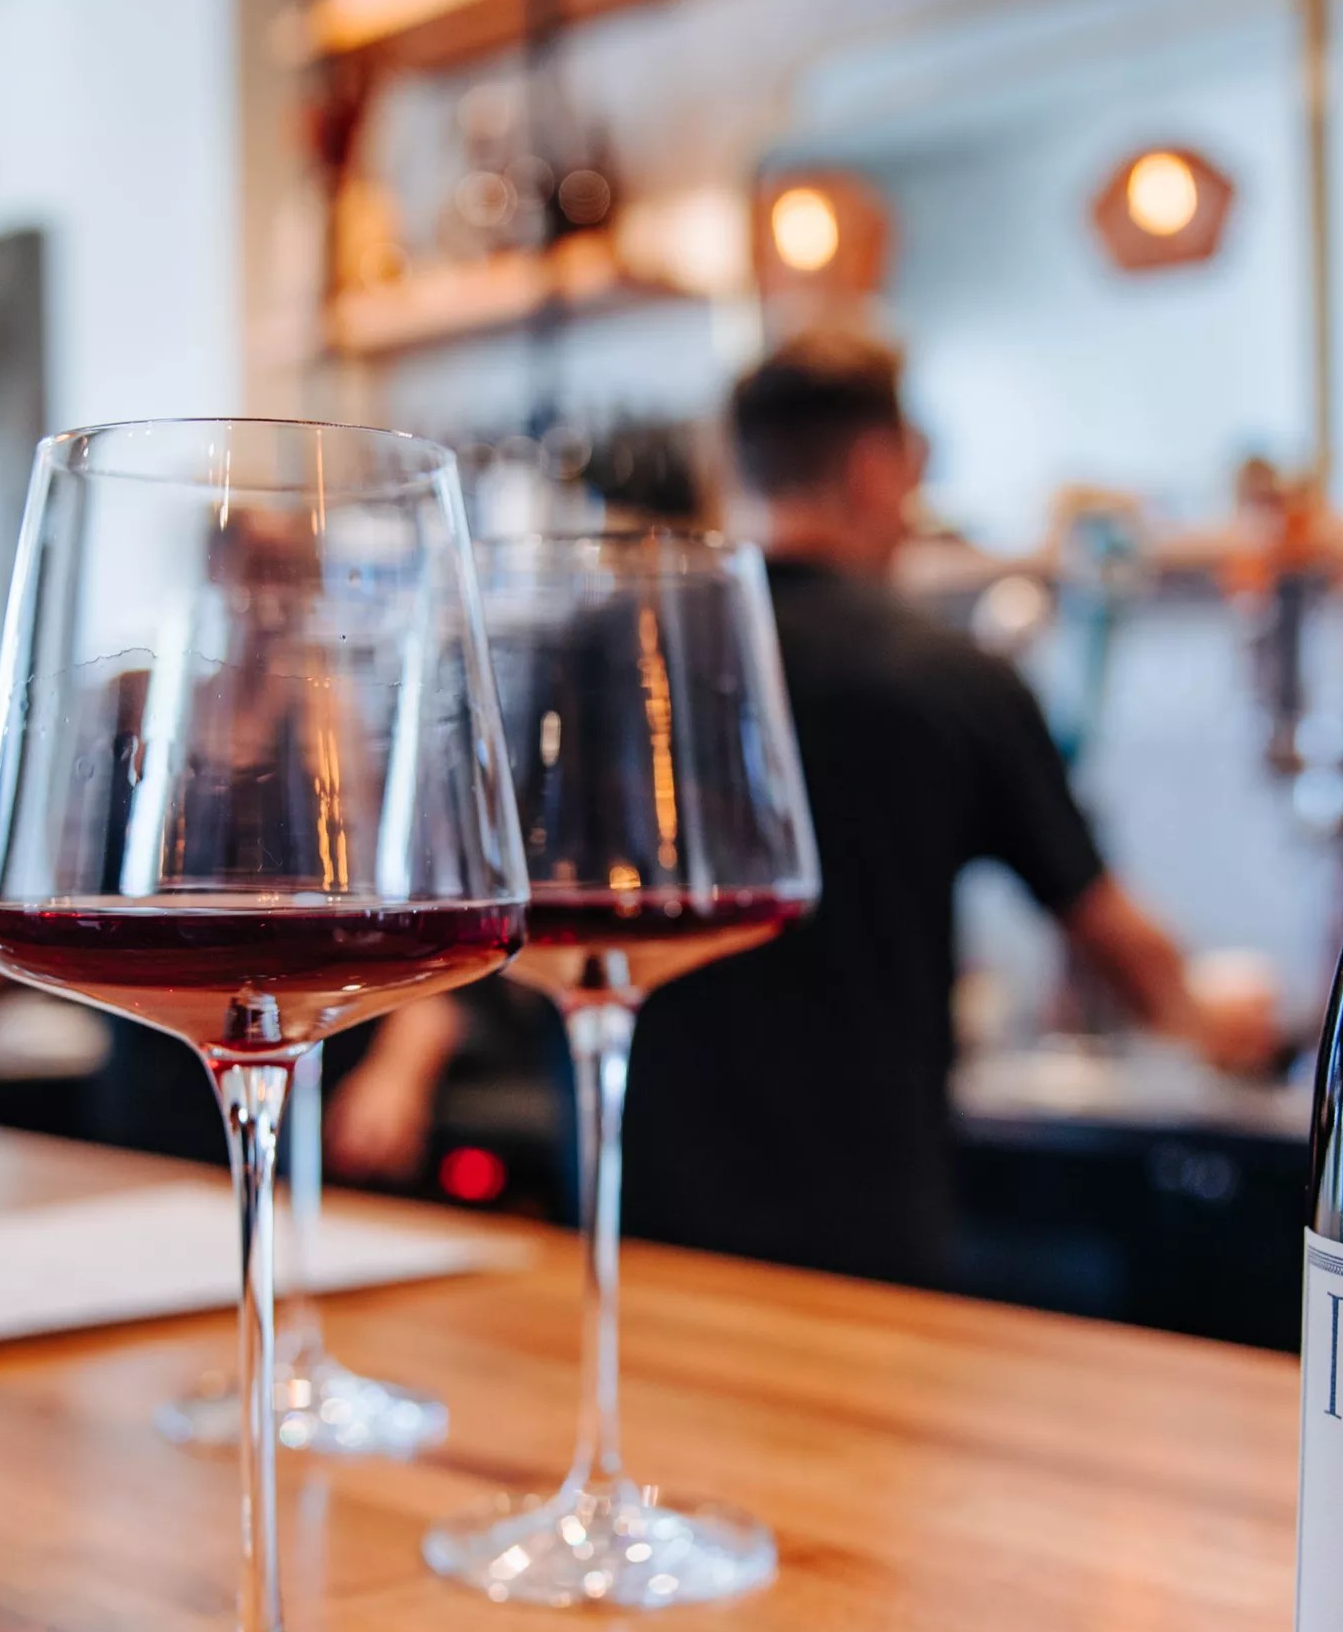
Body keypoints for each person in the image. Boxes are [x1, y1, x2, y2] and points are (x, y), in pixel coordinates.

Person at [331, 330, 1273, 1288]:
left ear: (734, 467)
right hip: (865, 1234)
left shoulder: (592, 654)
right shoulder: (952, 678)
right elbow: (1109, 934)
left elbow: (491, 891)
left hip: (633, 1221)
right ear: (875, 468)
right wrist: (1216, 1021)